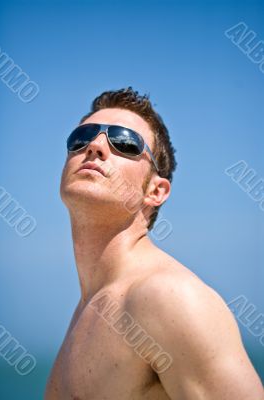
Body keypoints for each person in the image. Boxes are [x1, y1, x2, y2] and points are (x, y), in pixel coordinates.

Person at [45, 87, 264, 399]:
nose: (94, 146)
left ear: (156, 191)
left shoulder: (168, 298)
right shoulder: (87, 308)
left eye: (124, 142)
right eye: (81, 138)